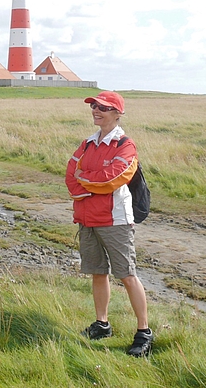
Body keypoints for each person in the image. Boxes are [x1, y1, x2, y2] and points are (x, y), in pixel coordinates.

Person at [65, 90, 153, 357]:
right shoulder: (88, 143)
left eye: (103, 107)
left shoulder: (125, 145)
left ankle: (144, 332)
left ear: (117, 113)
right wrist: (87, 185)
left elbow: (112, 179)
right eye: (94, 106)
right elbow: (71, 176)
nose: (96, 110)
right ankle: (102, 324)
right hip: (86, 218)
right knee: (97, 272)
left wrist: (86, 179)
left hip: (115, 221)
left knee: (127, 274)